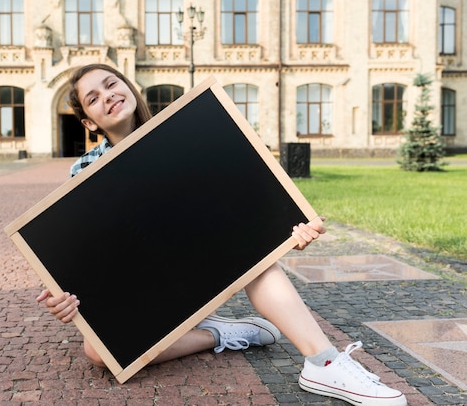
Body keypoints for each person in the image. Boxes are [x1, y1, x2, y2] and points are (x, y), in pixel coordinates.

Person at [37, 63, 406, 406]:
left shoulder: (188, 131)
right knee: (97, 353)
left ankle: (323, 363)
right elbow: (88, 255)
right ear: (88, 121)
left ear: (127, 86)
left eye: (110, 83)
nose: (108, 96)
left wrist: (285, 227)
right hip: (149, 287)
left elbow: (237, 201)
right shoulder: (83, 172)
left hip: (206, 266)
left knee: (258, 260)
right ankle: (222, 335)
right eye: (94, 98)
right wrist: (64, 295)